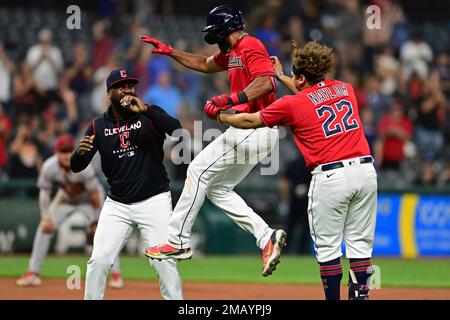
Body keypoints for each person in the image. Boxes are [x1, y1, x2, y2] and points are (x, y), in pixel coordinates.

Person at [206, 42, 377, 300]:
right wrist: (283, 76)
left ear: (300, 77)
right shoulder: (346, 89)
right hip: (365, 172)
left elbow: (251, 120)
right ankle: (361, 297)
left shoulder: (291, 104)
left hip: (331, 177)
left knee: (329, 251)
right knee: (360, 247)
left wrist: (221, 117)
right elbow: (311, 96)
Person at [141, 4, 286, 277]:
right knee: (218, 189)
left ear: (224, 28)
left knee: (196, 171)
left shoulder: (250, 44)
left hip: (252, 126)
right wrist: (172, 52)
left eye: (214, 29)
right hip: (258, 131)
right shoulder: (232, 52)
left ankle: (177, 242)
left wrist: (230, 99)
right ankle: (266, 237)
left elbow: (266, 82)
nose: (211, 35)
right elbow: (205, 64)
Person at [70, 68, 183, 300]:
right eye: (121, 87)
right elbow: (76, 166)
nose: (127, 90)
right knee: (99, 260)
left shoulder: (147, 114)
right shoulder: (98, 125)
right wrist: (78, 155)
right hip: (118, 203)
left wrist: (148, 110)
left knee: (163, 260)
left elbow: (177, 129)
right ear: (110, 93)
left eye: (130, 86)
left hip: (154, 199)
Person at [16, 134, 124, 289]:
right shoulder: (49, 166)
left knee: (103, 233)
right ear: (56, 152)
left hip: (89, 200)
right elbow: (44, 193)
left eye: (69, 151)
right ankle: (32, 273)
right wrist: (45, 217)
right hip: (66, 200)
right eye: (62, 151)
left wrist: (96, 219)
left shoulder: (84, 165)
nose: (66, 155)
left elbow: (95, 194)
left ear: (74, 151)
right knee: (44, 228)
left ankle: (116, 274)